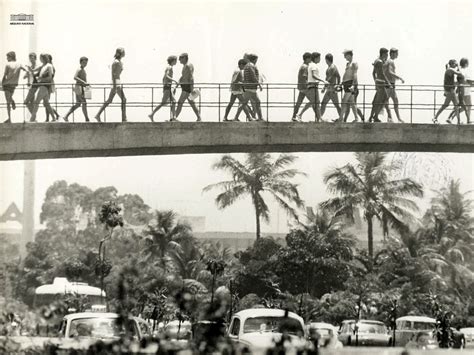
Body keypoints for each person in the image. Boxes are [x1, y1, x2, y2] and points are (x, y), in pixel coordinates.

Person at [95, 47, 127, 122]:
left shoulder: (119, 62)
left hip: (117, 82)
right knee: (123, 99)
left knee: (110, 100)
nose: (124, 53)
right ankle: (124, 118)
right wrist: (115, 85)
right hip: (115, 82)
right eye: (123, 52)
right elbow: (113, 74)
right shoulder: (115, 62)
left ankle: (98, 115)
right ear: (120, 53)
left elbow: (119, 73)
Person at [433, 59, 463, 124]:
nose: (456, 65)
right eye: (455, 64)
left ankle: (458, 121)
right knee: (450, 105)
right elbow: (460, 74)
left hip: (451, 91)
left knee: (454, 105)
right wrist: (459, 67)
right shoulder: (450, 70)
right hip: (451, 91)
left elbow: (450, 81)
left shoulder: (449, 70)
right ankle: (435, 117)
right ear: (452, 64)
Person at [149, 55, 178, 122]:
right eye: (175, 60)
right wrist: (174, 80)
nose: (176, 62)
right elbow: (166, 76)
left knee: (173, 101)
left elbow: (163, 78)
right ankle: (152, 114)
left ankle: (173, 117)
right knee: (164, 102)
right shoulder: (169, 67)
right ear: (173, 61)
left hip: (168, 86)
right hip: (167, 86)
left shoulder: (169, 67)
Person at [29, 54, 57, 122]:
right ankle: (53, 118)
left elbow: (50, 77)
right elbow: (34, 70)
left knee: (36, 102)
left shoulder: (49, 66)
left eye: (40, 58)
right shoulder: (43, 66)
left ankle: (32, 118)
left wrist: (41, 79)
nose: (40, 59)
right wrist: (31, 70)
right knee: (46, 103)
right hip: (43, 86)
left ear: (43, 58)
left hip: (44, 86)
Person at [336, 49, 361, 122]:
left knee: (344, 101)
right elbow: (346, 75)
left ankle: (341, 118)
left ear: (349, 55)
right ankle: (356, 118)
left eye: (345, 55)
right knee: (352, 103)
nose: (344, 57)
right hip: (346, 84)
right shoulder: (348, 64)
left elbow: (355, 74)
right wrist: (341, 83)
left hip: (350, 84)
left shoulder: (354, 63)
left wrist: (354, 85)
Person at [175, 53, 201, 122]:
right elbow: (183, 76)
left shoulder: (188, 65)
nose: (179, 59)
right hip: (185, 86)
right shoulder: (184, 66)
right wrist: (178, 83)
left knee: (180, 102)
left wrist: (191, 88)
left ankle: (174, 118)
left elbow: (191, 77)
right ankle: (199, 117)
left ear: (185, 58)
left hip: (187, 87)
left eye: (181, 57)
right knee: (192, 103)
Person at [368, 47, 392, 122]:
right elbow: (382, 74)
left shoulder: (376, 61)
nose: (387, 55)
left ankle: (372, 117)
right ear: (383, 54)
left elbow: (373, 73)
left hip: (378, 83)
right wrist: (388, 83)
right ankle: (374, 117)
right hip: (381, 83)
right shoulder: (380, 62)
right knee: (383, 99)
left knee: (377, 101)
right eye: (386, 54)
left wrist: (375, 81)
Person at [2, 51, 26, 123]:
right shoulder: (19, 64)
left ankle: (9, 118)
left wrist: (2, 83)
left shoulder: (8, 64)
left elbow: (5, 75)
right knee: (9, 97)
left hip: (7, 83)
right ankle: (12, 101)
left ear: (11, 57)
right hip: (13, 84)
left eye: (7, 57)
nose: (6, 58)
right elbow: (26, 70)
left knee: (7, 102)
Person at [64, 57, 90, 122]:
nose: (85, 64)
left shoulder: (83, 70)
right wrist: (84, 82)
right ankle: (87, 118)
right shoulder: (79, 69)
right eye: (84, 62)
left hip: (82, 88)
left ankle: (66, 115)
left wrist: (86, 85)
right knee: (84, 103)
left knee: (78, 104)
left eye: (86, 63)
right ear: (80, 62)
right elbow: (75, 77)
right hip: (79, 87)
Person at [448, 58, 473, 123]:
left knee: (463, 106)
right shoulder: (465, 70)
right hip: (465, 91)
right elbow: (468, 81)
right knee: (468, 105)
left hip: (461, 90)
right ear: (466, 64)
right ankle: (467, 120)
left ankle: (451, 117)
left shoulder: (459, 69)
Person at [383, 48, 405, 123]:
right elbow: (389, 72)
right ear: (393, 53)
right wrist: (399, 77)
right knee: (389, 101)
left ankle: (396, 118)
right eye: (396, 53)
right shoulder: (390, 61)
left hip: (390, 84)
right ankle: (391, 117)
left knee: (392, 101)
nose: (397, 55)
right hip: (389, 84)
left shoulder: (388, 61)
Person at [304, 52, 327, 122]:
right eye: (319, 58)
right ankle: (299, 114)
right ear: (316, 58)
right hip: (313, 86)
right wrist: (323, 80)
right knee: (313, 102)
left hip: (313, 86)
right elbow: (314, 75)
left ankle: (319, 118)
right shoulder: (314, 65)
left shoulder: (311, 65)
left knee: (316, 103)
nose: (320, 59)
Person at [241, 53, 263, 121]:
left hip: (249, 88)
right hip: (251, 88)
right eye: (256, 60)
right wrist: (259, 84)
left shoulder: (247, 65)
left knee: (256, 102)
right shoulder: (251, 65)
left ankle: (259, 118)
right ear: (254, 59)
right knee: (244, 103)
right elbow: (253, 76)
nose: (256, 61)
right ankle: (258, 118)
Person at [291, 52, 311, 122]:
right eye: (310, 58)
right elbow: (304, 77)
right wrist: (307, 86)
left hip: (301, 87)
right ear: (307, 59)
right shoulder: (305, 66)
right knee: (314, 101)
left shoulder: (302, 66)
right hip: (304, 87)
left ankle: (294, 116)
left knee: (298, 103)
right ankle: (299, 114)